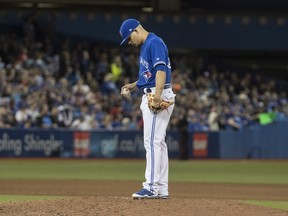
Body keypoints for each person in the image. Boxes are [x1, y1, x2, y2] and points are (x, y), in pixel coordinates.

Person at [119, 18, 175, 199]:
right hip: (154, 92)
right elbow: (149, 76)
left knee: (152, 142)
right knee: (159, 142)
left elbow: (161, 72)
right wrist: (135, 85)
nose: (129, 42)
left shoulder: (154, 42)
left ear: (136, 30)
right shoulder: (147, 45)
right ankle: (161, 188)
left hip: (157, 95)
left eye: (129, 38)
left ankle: (151, 187)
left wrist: (157, 97)